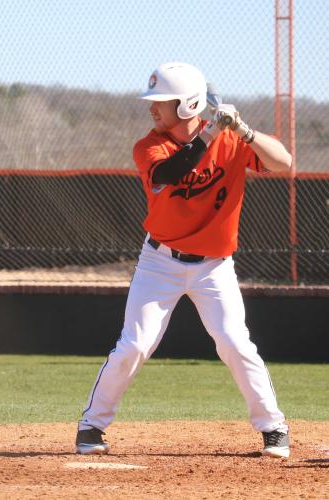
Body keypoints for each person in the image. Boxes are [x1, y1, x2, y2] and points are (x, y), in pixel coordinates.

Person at [75, 62, 291, 459]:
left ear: (190, 104)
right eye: (153, 101)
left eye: (163, 102)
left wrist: (243, 130)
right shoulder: (150, 145)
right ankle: (92, 426)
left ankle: (273, 427)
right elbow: (172, 173)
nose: (153, 109)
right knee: (135, 344)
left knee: (234, 342)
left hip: (214, 266)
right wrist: (211, 131)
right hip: (160, 262)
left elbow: (283, 161)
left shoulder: (231, 142)